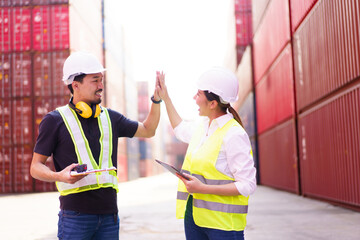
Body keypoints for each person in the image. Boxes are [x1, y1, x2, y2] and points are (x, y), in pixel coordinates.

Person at [30, 51, 163, 240]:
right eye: (95, 80)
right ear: (75, 85)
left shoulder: (111, 118)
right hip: (75, 218)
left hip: (109, 217)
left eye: (101, 80)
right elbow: (35, 167)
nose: (101, 86)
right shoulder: (54, 120)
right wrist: (59, 176)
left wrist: (156, 100)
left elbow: (148, 130)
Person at [156, 67, 257, 240]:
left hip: (223, 226)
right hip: (195, 218)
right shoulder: (203, 127)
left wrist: (203, 188)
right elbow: (180, 130)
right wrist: (165, 98)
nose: (194, 98)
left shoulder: (234, 134)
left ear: (213, 103)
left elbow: (247, 185)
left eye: (198, 94)